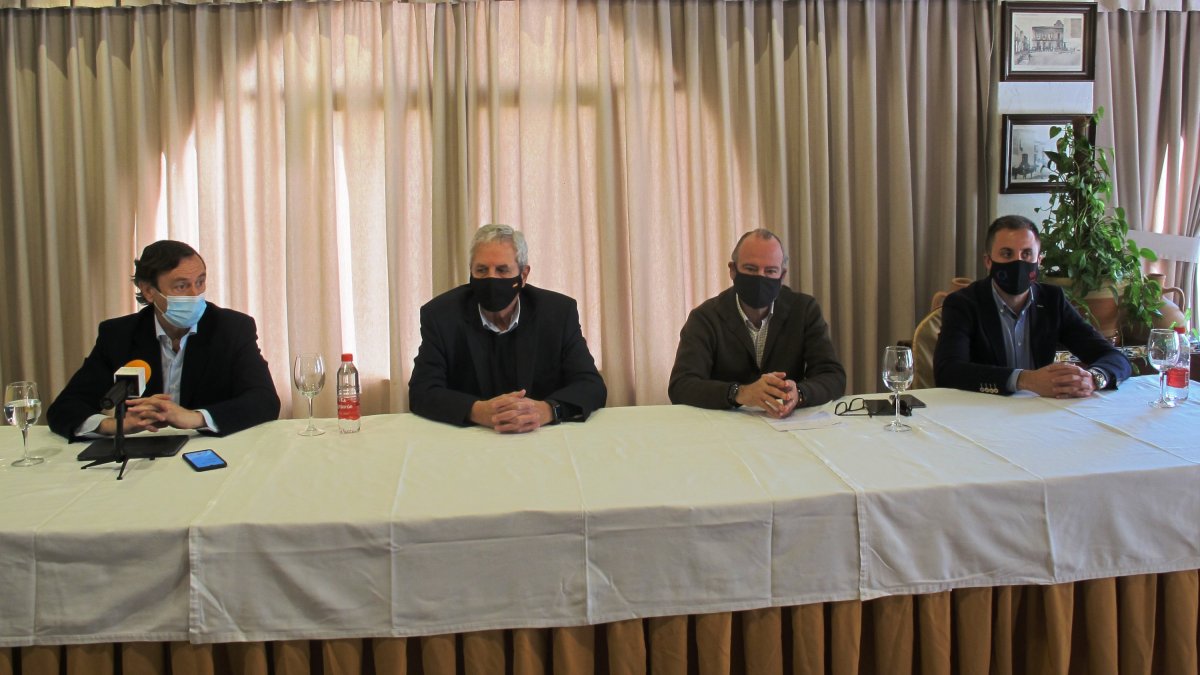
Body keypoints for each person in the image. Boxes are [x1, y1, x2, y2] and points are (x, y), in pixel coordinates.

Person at [47, 240, 281, 440]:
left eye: (200, 282)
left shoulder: (232, 328)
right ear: (149, 291)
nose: (194, 295)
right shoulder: (118, 334)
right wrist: (117, 426)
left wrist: (194, 417)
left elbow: (264, 401)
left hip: (209, 451)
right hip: (145, 458)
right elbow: (64, 408)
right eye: (181, 286)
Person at [408, 224, 607, 432]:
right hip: (471, 441)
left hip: (541, 438)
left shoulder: (557, 314)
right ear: (470, 272)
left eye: (503, 270)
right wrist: (478, 411)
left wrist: (547, 410)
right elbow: (422, 390)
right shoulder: (442, 316)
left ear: (523, 275)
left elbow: (591, 385)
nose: (491, 279)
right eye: (482, 270)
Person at [934, 215, 1131, 397]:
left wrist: (1094, 379)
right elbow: (948, 371)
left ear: (1039, 260)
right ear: (988, 261)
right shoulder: (964, 303)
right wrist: (1024, 380)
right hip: (983, 412)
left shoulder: (1052, 299)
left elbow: (1114, 357)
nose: (1018, 262)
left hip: (1038, 411)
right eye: (1006, 254)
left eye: (1027, 254)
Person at [668, 229, 846, 417]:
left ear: (782, 275)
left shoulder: (804, 310)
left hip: (786, 426)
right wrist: (740, 393)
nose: (761, 278)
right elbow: (681, 385)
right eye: (751, 269)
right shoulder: (705, 317)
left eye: (770, 271)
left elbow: (833, 376)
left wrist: (800, 393)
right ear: (733, 270)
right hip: (724, 429)